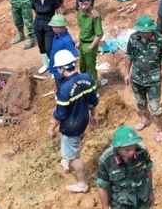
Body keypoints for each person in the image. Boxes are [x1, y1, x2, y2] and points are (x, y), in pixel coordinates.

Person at [47, 48, 99, 194]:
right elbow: (93, 101)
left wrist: (51, 128)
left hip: (71, 126)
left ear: (62, 68)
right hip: (83, 120)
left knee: (75, 156)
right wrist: (94, 116)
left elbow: (60, 115)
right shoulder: (87, 78)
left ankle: (82, 184)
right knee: (70, 145)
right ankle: (66, 160)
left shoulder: (64, 89)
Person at [125, 15, 162, 142]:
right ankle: (144, 119)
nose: (145, 34)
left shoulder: (159, 39)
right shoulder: (133, 38)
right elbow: (128, 55)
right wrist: (127, 73)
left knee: (155, 106)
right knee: (140, 102)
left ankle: (158, 127)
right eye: (142, 32)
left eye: (147, 32)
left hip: (153, 80)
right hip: (137, 78)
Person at [95, 126, 154, 209]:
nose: (131, 152)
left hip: (142, 197)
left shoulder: (141, 151)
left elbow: (148, 171)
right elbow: (102, 187)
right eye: (127, 150)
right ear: (117, 147)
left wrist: (150, 192)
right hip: (121, 202)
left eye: (133, 148)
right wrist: (105, 207)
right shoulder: (106, 161)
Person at [31, 0, 62, 73]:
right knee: (42, 46)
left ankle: (54, 66)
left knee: (49, 47)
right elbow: (35, 11)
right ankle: (46, 64)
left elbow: (59, 12)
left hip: (50, 26)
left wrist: (59, 25)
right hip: (38, 26)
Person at [76, 0, 103, 87]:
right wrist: (78, 41)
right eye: (81, 4)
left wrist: (91, 47)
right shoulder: (80, 12)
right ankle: (84, 86)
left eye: (85, 4)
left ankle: (94, 89)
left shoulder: (95, 15)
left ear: (90, 2)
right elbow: (81, 28)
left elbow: (99, 35)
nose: (83, 7)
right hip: (82, 44)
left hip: (90, 44)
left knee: (90, 68)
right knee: (82, 67)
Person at [47, 14, 79, 90]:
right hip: (55, 69)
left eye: (56, 27)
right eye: (53, 27)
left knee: (64, 88)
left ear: (63, 26)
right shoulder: (57, 34)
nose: (54, 29)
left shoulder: (67, 41)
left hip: (62, 72)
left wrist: (65, 68)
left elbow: (76, 57)